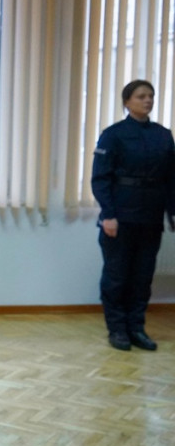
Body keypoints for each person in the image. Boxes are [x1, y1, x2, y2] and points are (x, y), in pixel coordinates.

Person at [91, 79, 175, 352]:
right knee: (117, 276)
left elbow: (171, 179)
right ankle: (117, 330)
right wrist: (109, 215)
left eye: (151, 96)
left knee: (142, 277)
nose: (148, 100)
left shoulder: (163, 135)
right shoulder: (113, 135)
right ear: (127, 102)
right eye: (141, 96)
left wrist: (172, 212)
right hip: (120, 217)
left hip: (150, 217)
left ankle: (136, 328)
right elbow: (100, 179)